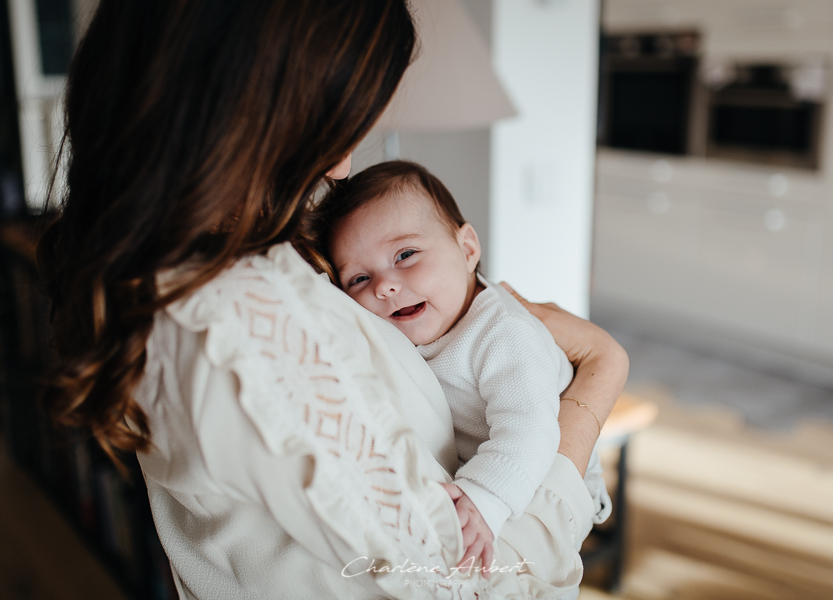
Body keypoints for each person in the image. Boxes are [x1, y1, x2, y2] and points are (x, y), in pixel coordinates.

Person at [37, 1, 629, 599]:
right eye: (333, 123)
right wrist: (600, 373)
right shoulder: (242, 321)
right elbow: (465, 585)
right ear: (248, 103)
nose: (343, 164)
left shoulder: (203, 275)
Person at [311, 160, 613, 572]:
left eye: (405, 254)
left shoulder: (502, 333)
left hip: (543, 470)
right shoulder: (406, 332)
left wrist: (483, 497)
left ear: (467, 249)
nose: (385, 285)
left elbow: (531, 428)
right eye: (359, 280)